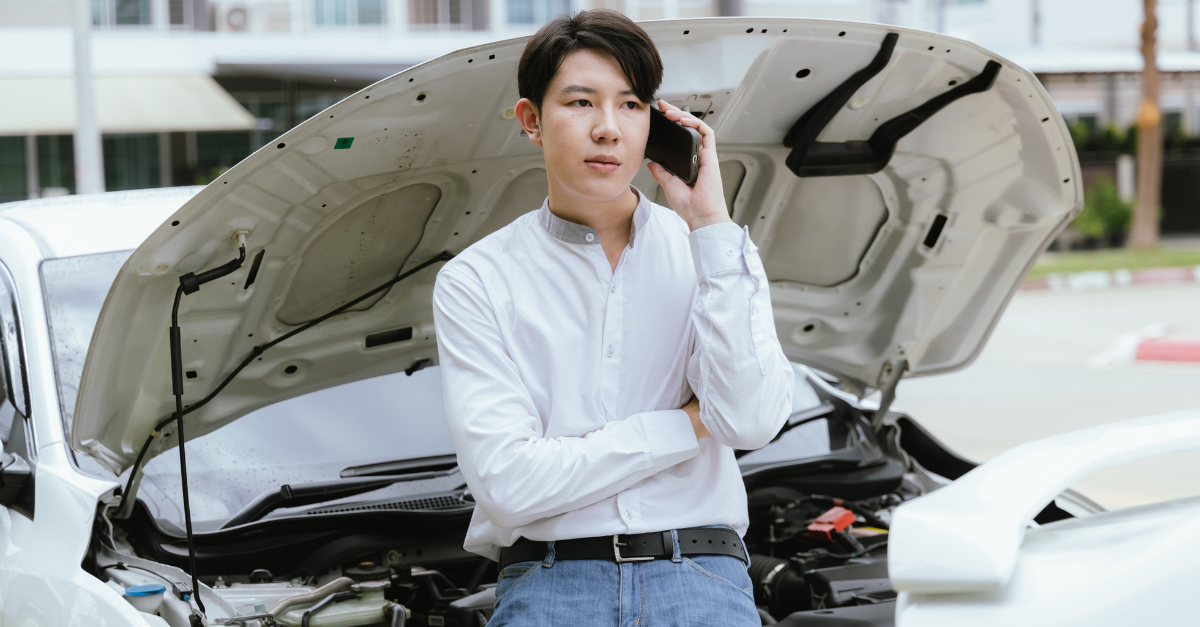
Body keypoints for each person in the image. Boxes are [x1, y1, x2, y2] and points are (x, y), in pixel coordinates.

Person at [432, 9, 793, 626]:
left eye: (630, 105)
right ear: (531, 121)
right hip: (548, 582)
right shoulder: (476, 280)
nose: (607, 129)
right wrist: (687, 423)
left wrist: (709, 225)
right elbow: (510, 486)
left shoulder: (715, 251)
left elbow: (752, 421)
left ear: (654, 122)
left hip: (701, 575)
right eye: (580, 102)